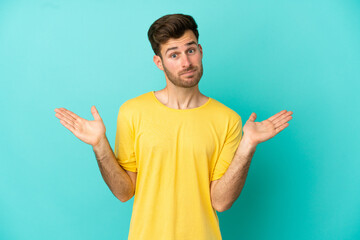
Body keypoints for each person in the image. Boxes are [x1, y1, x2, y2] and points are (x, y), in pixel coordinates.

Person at [54, 13, 293, 240]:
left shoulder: (227, 119)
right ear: (159, 62)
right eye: (174, 55)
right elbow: (124, 192)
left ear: (200, 51)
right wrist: (99, 145)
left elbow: (221, 202)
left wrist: (248, 145)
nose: (186, 62)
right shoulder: (132, 111)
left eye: (190, 50)